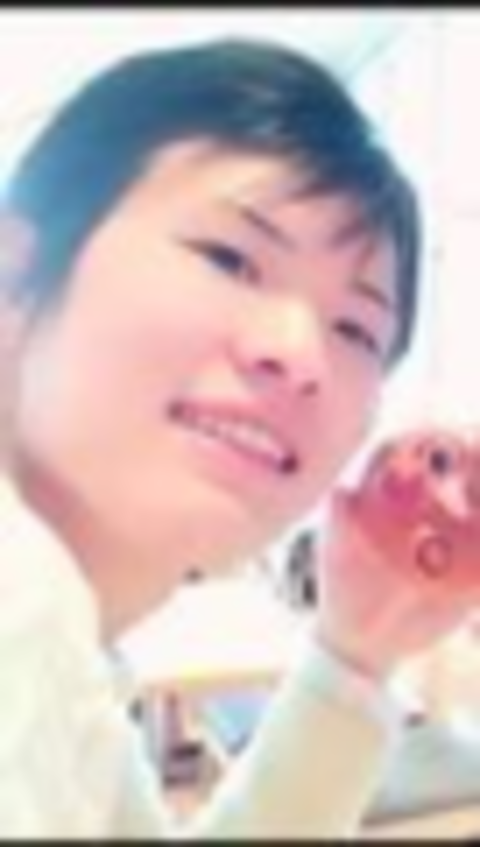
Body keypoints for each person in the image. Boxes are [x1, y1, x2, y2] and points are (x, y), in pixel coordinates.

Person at [0, 36, 474, 838]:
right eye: (229, 257)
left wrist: (354, 653)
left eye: (356, 329)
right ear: (14, 276)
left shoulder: (65, 651)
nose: (300, 354)